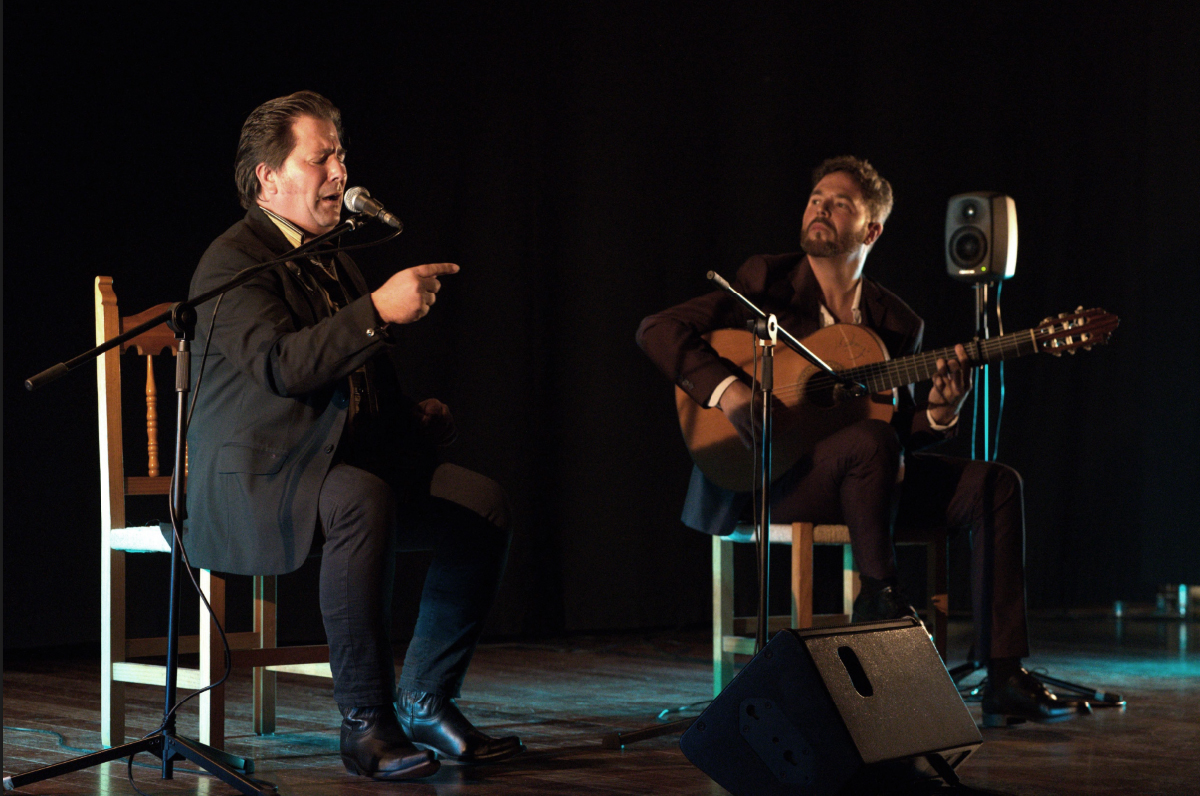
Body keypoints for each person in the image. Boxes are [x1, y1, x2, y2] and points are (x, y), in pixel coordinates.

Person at [637, 156, 1087, 725]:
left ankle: (1004, 674)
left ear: (871, 230)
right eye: (816, 197)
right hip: (771, 475)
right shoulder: (766, 282)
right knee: (870, 443)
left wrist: (940, 412)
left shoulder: (897, 323)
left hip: (861, 477)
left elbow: (895, 434)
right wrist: (727, 391)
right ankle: (881, 595)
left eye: (839, 202)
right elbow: (657, 328)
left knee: (994, 482)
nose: (820, 207)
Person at [185, 91, 524, 781]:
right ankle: (365, 722)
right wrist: (377, 310)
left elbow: (351, 386)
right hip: (255, 481)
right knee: (360, 500)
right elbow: (284, 367)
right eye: (322, 158)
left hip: (326, 464)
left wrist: (411, 420)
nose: (341, 171)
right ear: (269, 180)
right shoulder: (233, 263)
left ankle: (428, 699)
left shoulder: (331, 255)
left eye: (341, 155)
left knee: (480, 505)